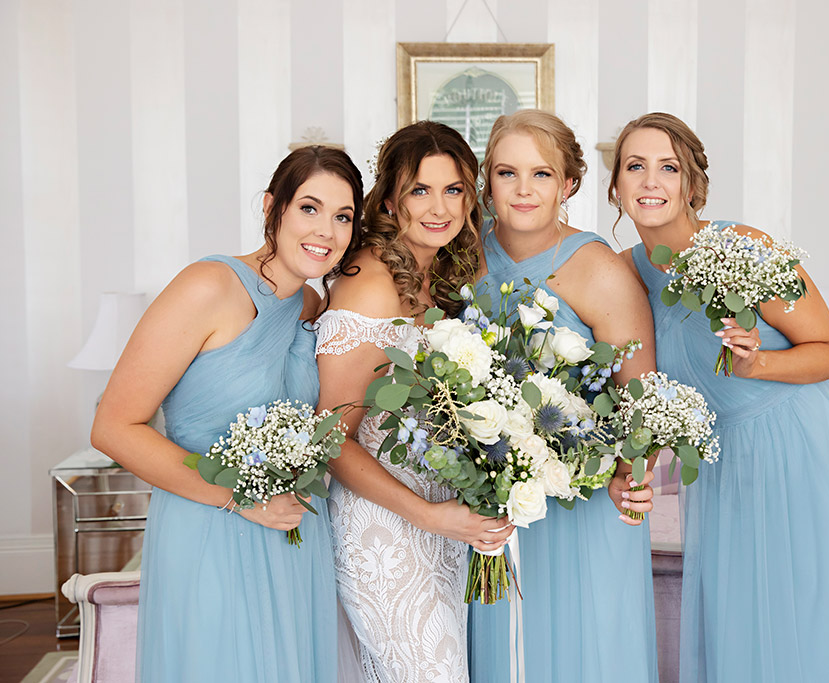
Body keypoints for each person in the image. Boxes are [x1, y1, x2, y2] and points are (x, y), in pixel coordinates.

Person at [611, 112, 829, 682]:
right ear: (614, 186)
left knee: (810, 624)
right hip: (724, 465)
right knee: (739, 626)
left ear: (692, 184)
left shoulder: (741, 247)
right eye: (634, 167)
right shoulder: (626, 273)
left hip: (803, 450)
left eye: (668, 167)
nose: (650, 182)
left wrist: (759, 361)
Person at [90, 145, 361, 682]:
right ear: (271, 208)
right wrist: (241, 498)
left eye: (343, 216)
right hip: (210, 526)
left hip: (295, 533)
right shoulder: (206, 287)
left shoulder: (308, 306)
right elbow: (113, 428)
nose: (326, 231)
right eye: (309, 208)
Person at [315, 120, 514, 683]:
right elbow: (331, 438)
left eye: (453, 190)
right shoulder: (370, 284)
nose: (439, 207)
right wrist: (429, 515)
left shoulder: (446, 278)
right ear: (390, 198)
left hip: (444, 523)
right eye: (419, 190)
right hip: (384, 528)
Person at [467, 109, 659, 683]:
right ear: (487, 181)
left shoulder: (599, 269)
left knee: (585, 652)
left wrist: (632, 472)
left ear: (569, 184)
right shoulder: (462, 254)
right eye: (507, 173)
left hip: (582, 499)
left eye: (542, 174)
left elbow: (639, 398)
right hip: (486, 497)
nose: (523, 190)